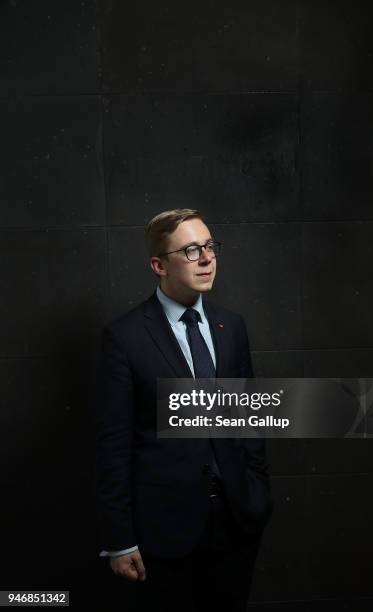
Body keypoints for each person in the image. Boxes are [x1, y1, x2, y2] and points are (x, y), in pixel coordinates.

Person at [92, 208, 273, 611]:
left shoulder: (232, 326)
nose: (207, 258)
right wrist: (119, 539)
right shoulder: (124, 338)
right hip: (164, 530)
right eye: (191, 250)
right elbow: (113, 445)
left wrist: (256, 490)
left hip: (237, 521)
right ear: (159, 265)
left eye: (210, 247)